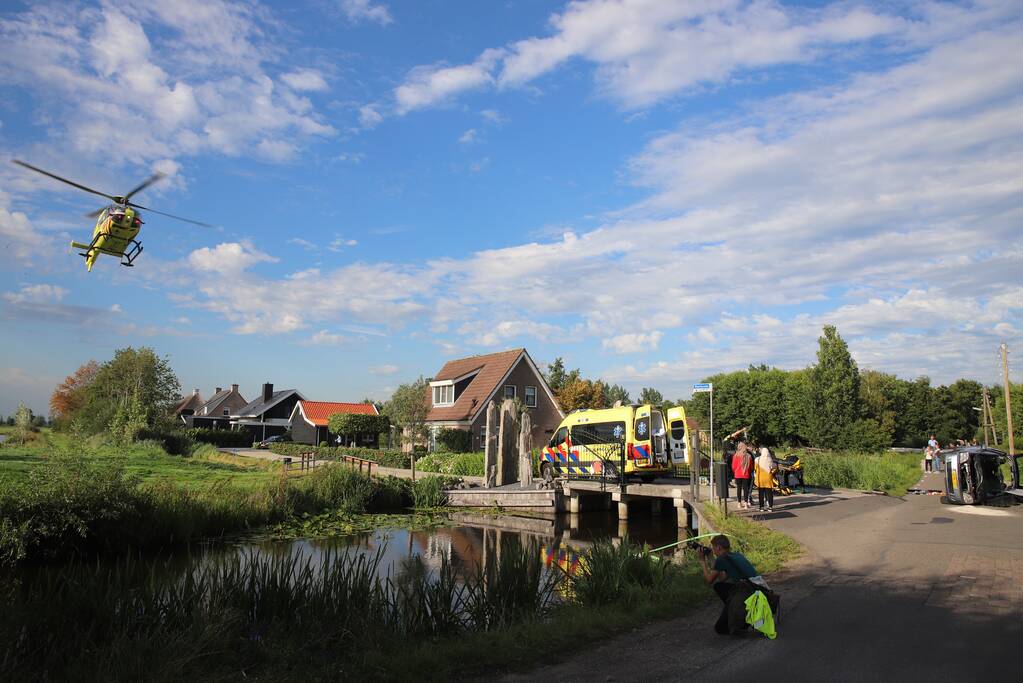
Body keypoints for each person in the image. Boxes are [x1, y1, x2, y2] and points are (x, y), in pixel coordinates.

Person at [697, 534, 770, 635]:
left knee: (720, 629)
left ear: (718, 547)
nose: (713, 551)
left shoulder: (721, 559)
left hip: (748, 593)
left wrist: (702, 561)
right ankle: (736, 610)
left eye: (713, 548)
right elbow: (722, 578)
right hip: (756, 589)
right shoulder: (736, 555)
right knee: (719, 586)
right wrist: (711, 558)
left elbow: (709, 580)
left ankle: (741, 616)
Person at [732, 441, 754, 508]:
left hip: (738, 474)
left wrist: (735, 471)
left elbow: (733, 466)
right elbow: (751, 467)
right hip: (746, 474)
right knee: (746, 489)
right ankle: (746, 504)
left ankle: (739, 503)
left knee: (739, 488)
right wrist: (748, 471)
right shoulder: (749, 456)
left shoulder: (736, 455)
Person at [755, 447, 777, 511]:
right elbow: (773, 467)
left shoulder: (757, 459)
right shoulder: (770, 460)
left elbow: (755, 468)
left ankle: (761, 507)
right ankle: (770, 507)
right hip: (768, 478)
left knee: (761, 493)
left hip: (760, 478)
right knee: (769, 493)